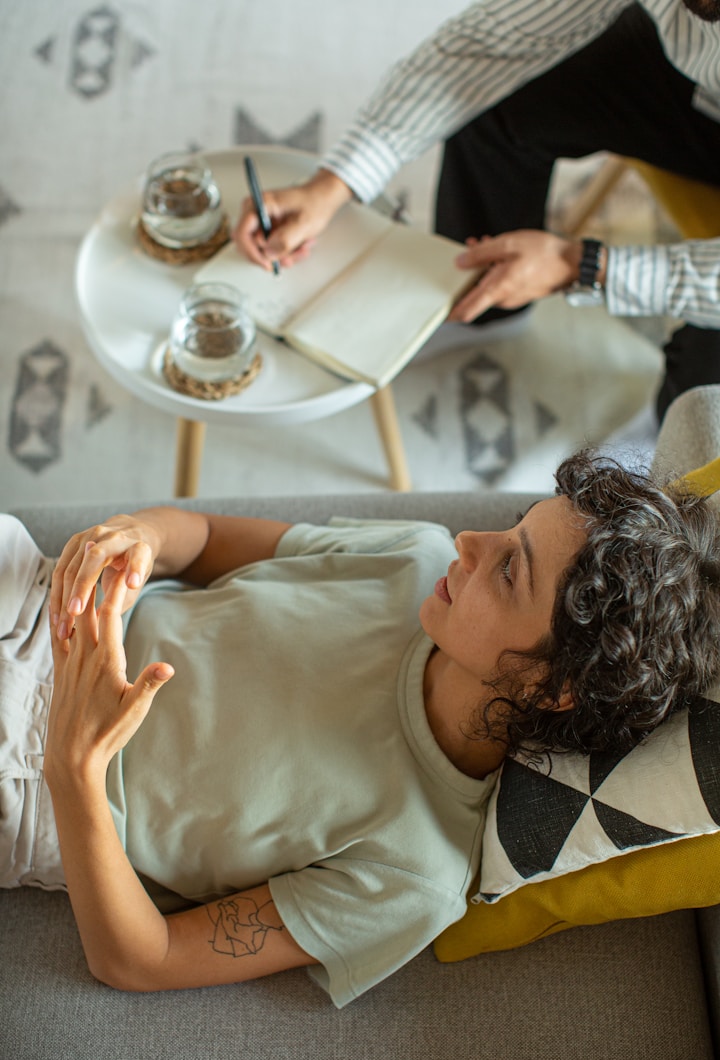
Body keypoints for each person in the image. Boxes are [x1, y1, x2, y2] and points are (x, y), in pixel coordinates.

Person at [3, 452, 720, 1007]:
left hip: (31, 778)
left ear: (553, 686)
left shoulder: (414, 873)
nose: (469, 541)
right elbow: (208, 538)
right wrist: (146, 535)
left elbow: (139, 958)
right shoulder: (414, 555)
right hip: (43, 598)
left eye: (509, 571)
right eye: (512, 526)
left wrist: (74, 770)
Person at [235, 0, 720, 422]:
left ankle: (670, 458)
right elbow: (489, 45)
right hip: (696, 83)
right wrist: (337, 179)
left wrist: (582, 265)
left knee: (700, 393)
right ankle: (485, 306)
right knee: (497, 98)